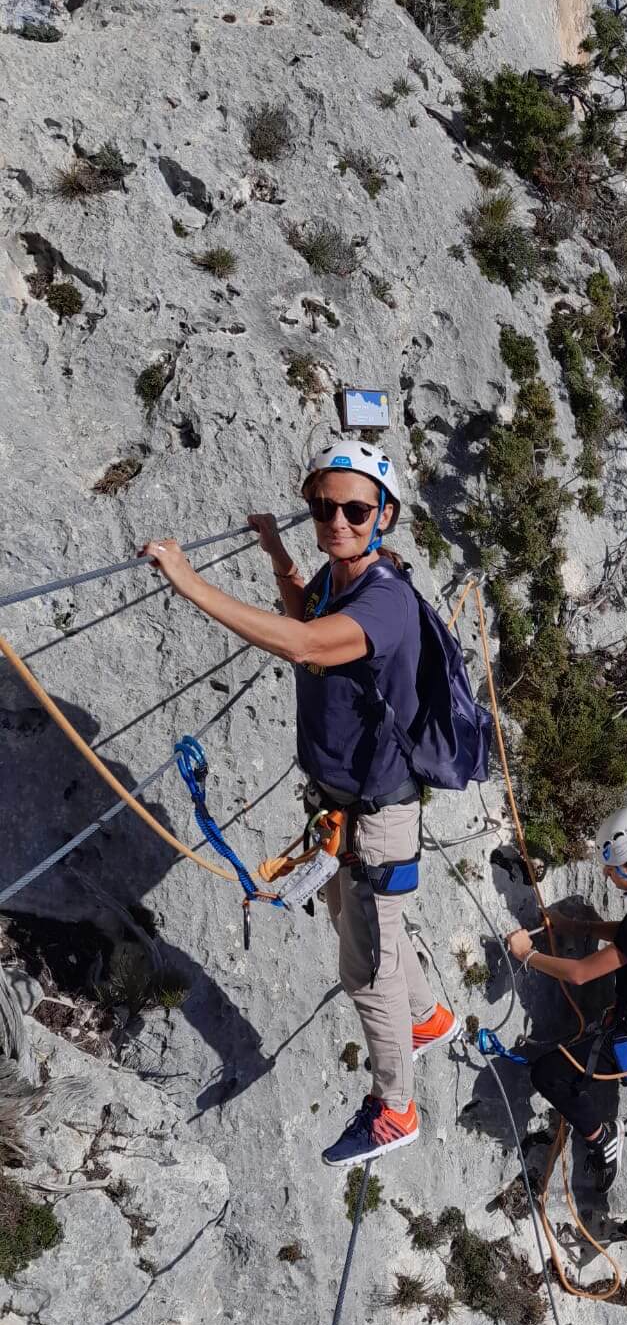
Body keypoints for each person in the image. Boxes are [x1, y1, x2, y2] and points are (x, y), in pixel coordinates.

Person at [141, 442, 459, 1166]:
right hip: (348, 805)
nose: (337, 521)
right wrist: (278, 552)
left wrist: (190, 582)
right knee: (361, 918)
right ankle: (429, 1016)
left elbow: (305, 640)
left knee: (364, 970)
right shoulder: (340, 576)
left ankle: (395, 1107)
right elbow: (309, 621)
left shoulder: (384, 597)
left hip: (377, 816)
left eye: (353, 509)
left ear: (385, 516)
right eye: (324, 507)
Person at [506, 806, 627, 1263]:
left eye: (611, 871)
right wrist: (580, 927)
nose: (608, 878)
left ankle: (600, 1136)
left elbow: (584, 974)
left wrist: (528, 956)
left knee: (549, 1073)